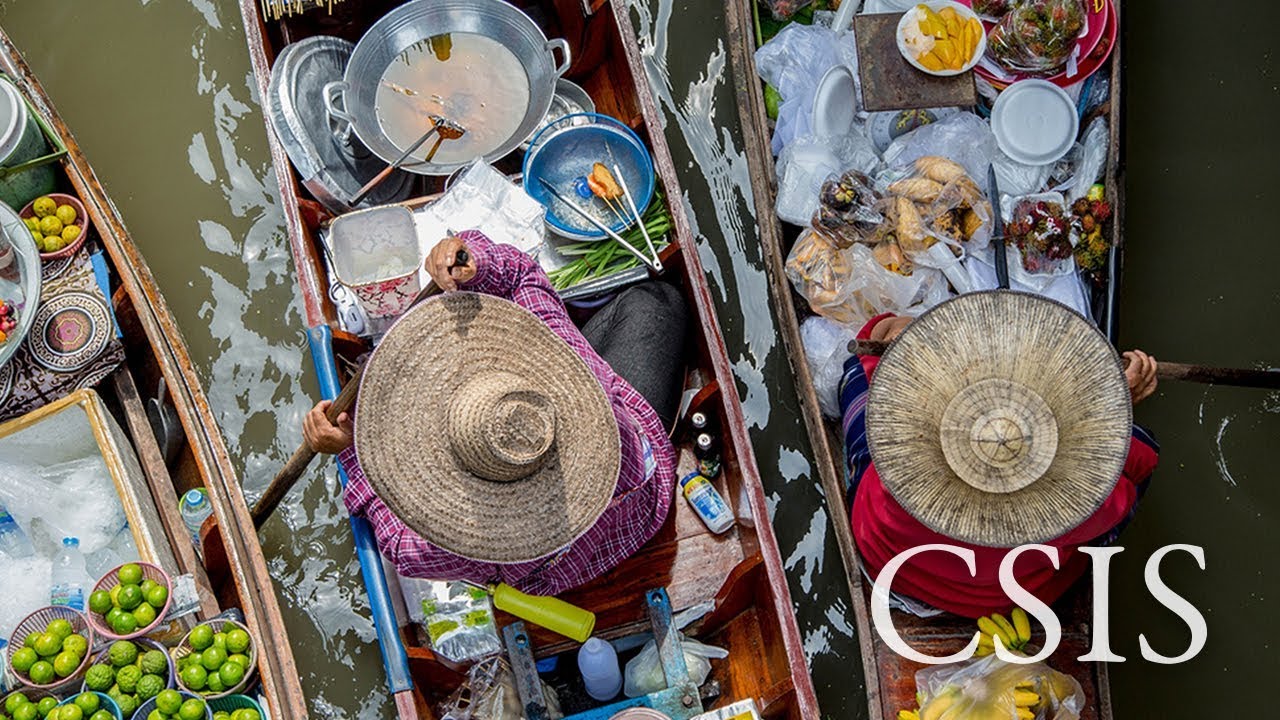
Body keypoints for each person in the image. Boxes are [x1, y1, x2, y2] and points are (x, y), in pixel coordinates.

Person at [303, 230, 688, 596]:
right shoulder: (567, 355)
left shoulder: (461, 538)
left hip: (564, 566)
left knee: (651, 305)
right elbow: (521, 275)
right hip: (645, 500)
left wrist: (351, 450)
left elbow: (400, 546)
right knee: (656, 299)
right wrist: (475, 264)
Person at [840, 311, 1160, 618]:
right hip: (998, 599)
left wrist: (912, 334)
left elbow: (877, 333)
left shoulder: (909, 422)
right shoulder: (1083, 497)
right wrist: (1113, 407)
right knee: (1136, 457)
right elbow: (1140, 463)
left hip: (884, 556)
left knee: (859, 373)